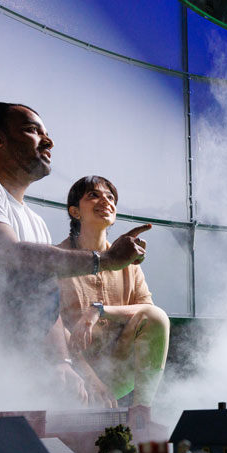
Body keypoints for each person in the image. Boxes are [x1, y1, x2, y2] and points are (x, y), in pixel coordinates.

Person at [0, 103, 151, 403]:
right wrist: (107, 261)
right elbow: (8, 256)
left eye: (47, 133)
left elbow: (44, 303)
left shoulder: (37, 224)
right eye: (33, 130)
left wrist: (62, 362)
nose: (49, 141)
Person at [59, 175, 170, 414]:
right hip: (74, 375)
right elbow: (51, 328)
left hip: (117, 372)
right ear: (75, 212)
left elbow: (147, 313)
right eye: (93, 195)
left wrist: (97, 311)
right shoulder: (58, 259)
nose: (106, 201)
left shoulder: (128, 261)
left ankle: (142, 413)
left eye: (111, 198)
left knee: (157, 318)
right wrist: (91, 379)